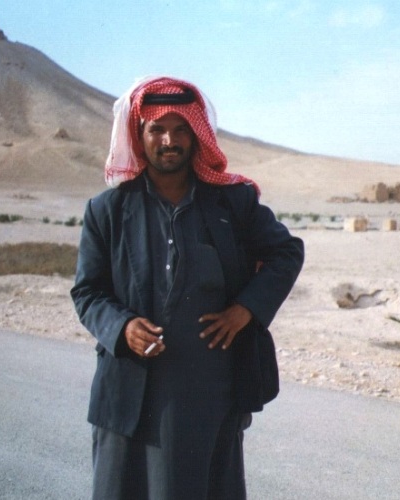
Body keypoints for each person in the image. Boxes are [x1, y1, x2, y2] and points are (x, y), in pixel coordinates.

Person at [70, 76, 304, 500]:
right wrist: (121, 328)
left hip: (210, 393)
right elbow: (87, 293)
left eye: (181, 129)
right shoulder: (107, 210)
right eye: (157, 129)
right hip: (129, 394)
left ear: (197, 136)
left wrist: (246, 309)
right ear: (139, 137)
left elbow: (286, 252)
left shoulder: (232, 204)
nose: (169, 140)